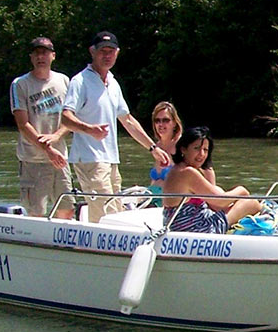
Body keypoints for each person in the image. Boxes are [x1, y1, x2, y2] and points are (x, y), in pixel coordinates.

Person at [61, 31, 171, 222]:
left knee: (116, 210)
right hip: (90, 158)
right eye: (102, 51)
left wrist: (152, 148)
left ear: (117, 53)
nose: (107, 55)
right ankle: (100, 250)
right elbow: (65, 117)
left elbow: (127, 120)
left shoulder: (113, 83)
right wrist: (89, 129)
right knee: (104, 213)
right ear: (92, 52)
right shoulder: (80, 81)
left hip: (111, 159)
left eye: (111, 51)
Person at [9, 37, 74, 218]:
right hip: (33, 160)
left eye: (45, 53)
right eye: (37, 53)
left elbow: (71, 118)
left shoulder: (64, 81)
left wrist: (56, 137)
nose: (41, 57)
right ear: (31, 57)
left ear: (53, 56)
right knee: (36, 213)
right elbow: (23, 125)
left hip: (60, 158)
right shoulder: (20, 84)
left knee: (67, 209)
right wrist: (48, 150)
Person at [162, 127, 261, 233]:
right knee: (251, 203)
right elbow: (220, 201)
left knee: (219, 190)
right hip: (197, 230)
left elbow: (214, 202)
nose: (201, 154)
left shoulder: (176, 169)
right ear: (183, 149)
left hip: (181, 227)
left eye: (205, 150)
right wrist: (242, 190)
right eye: (196, 148)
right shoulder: (187, 172)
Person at [148, 101, 186, 195]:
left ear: (174, 123)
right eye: (157, 121)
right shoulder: (156, 147)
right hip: (153, 198)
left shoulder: (182, 145)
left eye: (165, 120)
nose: (161, 124)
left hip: (174, 201)